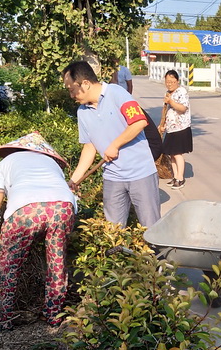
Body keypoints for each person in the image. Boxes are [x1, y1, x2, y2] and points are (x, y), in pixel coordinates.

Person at [0, 132, 78, 329]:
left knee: (9, 265)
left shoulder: (7, 162)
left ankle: (4, 318)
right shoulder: (50, 163)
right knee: (56, 262)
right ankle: (53, 315)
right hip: (63, 206)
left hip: (26, 210)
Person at [62, 60, 160, 227]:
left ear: (85, 84)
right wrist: (75, 180)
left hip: (140, 173)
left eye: (72, 90)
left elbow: (138, 122)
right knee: (113, 231)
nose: (71, 96)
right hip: (112, 177)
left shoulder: (117, 93)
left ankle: (158, 254)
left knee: (151, 227)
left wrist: (115, 145)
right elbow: (89, 147)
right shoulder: (83, 112)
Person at [161, 69, 192, 189]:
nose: (169, 84)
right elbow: (165, 109)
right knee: (172, 154)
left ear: (177, 81)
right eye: (167, 81)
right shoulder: (168, 93)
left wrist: (171, 101)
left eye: (172, 81)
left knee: (178, 154)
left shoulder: (181, 92)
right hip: (171, 128)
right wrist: (162, 124)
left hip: (181, 127)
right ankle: (175, 177)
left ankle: (180, 178)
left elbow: (182, 108)